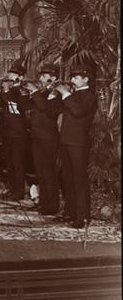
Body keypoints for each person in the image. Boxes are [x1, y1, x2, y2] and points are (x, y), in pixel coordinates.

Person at [56, 64, 98, 228]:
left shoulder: (90, 96)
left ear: (85, 79)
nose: (72, 80)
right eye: (72, 77)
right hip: (66, 141)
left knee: (79, 179)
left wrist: (65, 93)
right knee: (67, 178)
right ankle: (70, 213)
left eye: (76, 77)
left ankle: (83, 217)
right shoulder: (73, 95)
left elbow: (78, 111)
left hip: (78, 143)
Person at [23, 63, 63, 216]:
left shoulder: (57, 93)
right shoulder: (43, 93)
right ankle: (44, 203)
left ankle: (51, 206)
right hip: (37, 136)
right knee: (40, 172)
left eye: (44, 76)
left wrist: (35, 91)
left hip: (48, 137)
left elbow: (44, 108)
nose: (40, 78)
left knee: (49, 172)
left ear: (53, 78)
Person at [0, 60, 30, 201]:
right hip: (7, 131)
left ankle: (18, 192)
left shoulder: (22, 90)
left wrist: (8, 90)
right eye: (10, 74)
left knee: (18, 163)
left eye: (13, 75)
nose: (10, 77)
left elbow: (22, 106)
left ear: (20, 77)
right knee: (9, 163)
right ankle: (11, 188)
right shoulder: (7, 91)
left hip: (19, 132)